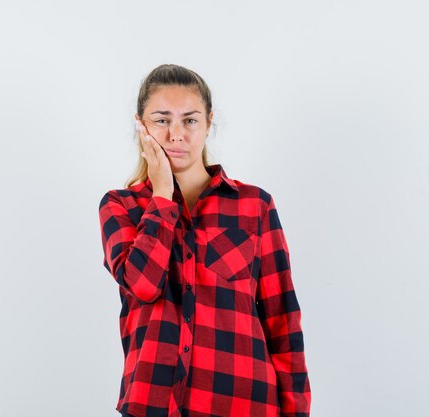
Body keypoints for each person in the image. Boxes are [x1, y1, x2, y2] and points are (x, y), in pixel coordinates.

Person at [98, 64, 311, 417]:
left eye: (190, 120)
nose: (176, 135)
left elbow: (282, 319)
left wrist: (297, 411)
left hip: (244, 404)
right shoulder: (121, 207)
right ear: (141, 126)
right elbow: (143, 285)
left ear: (209, 123)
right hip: (153, 403)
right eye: (162, 120)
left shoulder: (254, 205)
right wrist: (162, 194)